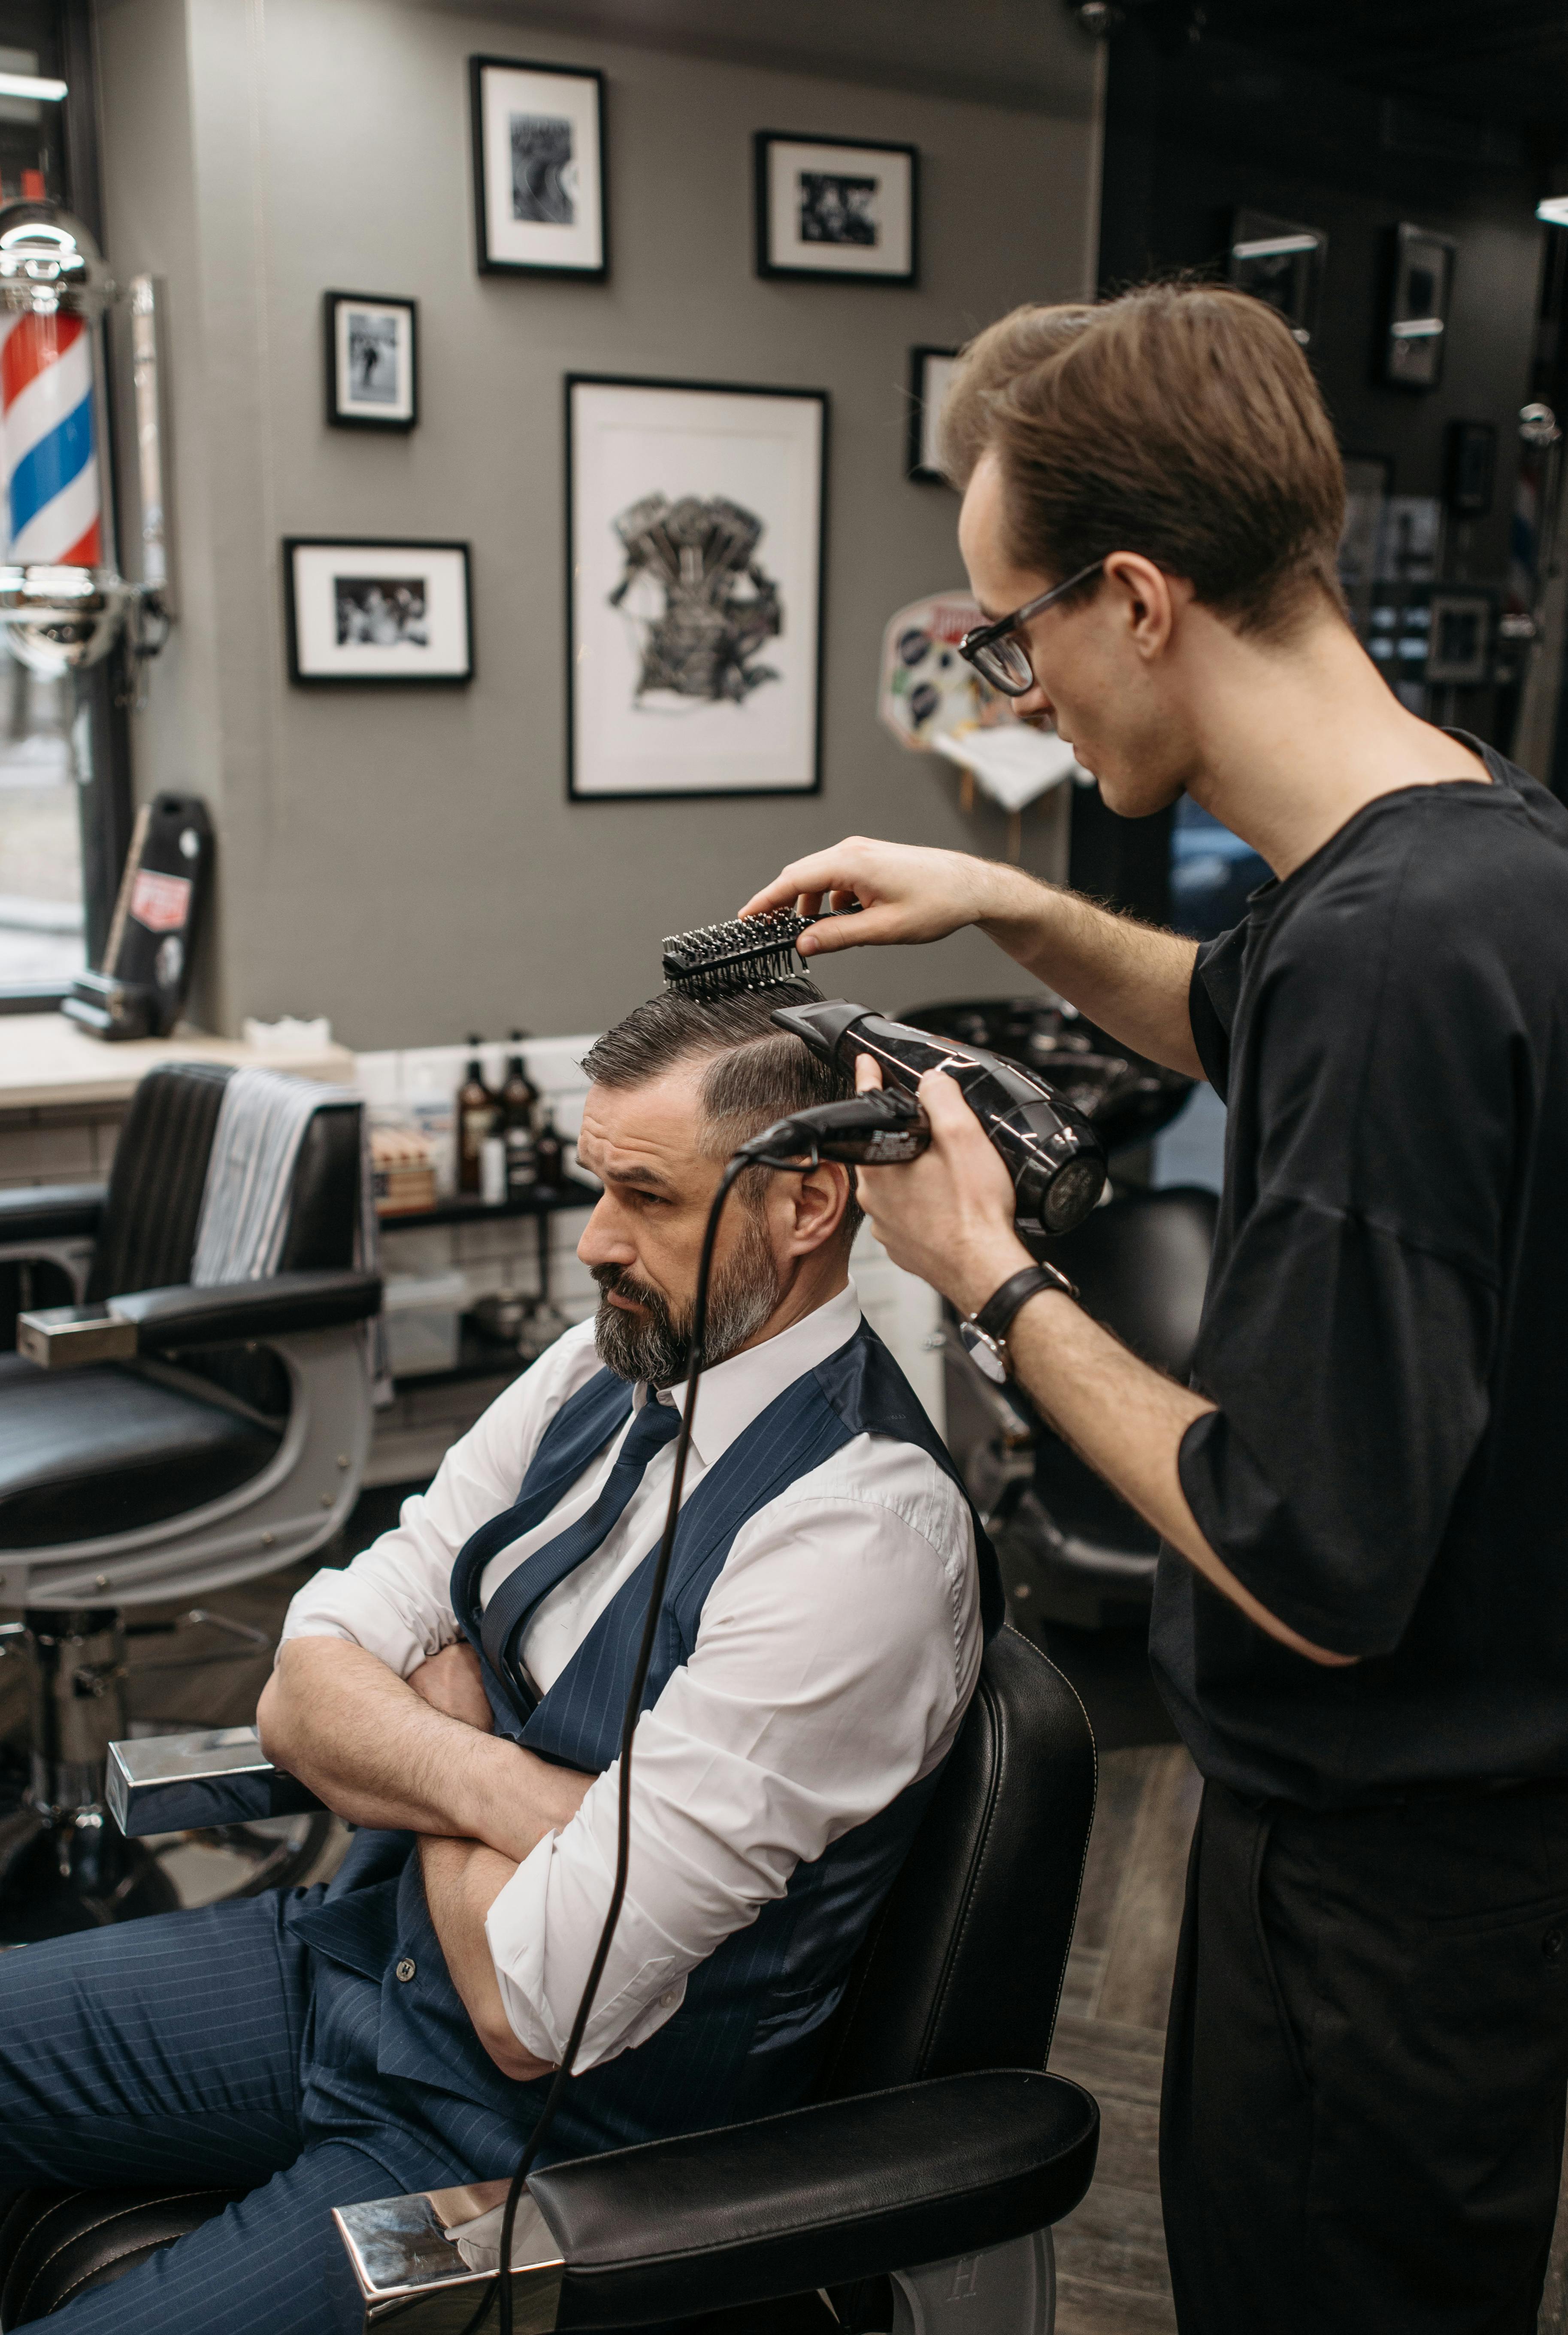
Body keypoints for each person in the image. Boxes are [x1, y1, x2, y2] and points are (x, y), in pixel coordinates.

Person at [744, 283, 1568, 2335]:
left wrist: (990, 1278)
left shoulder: (1384, 960)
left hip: (1375, 1899)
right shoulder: (1468, 856)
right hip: (1474, 1852)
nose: (1011, 692)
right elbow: (1224, 1010)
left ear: (1133, 596)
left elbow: (1308, 1552)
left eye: (1009, 633)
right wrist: (1008, 906)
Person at [0, 982, 993, 2335]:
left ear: (805, 1206)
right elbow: (306, 1682)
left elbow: (535, 2002)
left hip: (504, 2152)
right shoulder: (605, 1366)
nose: (593, 1242)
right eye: (598, 1186)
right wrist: (518, 1791)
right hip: (340, 1968)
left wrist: (429, 1727)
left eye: (643, 1195)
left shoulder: (859, 1539)